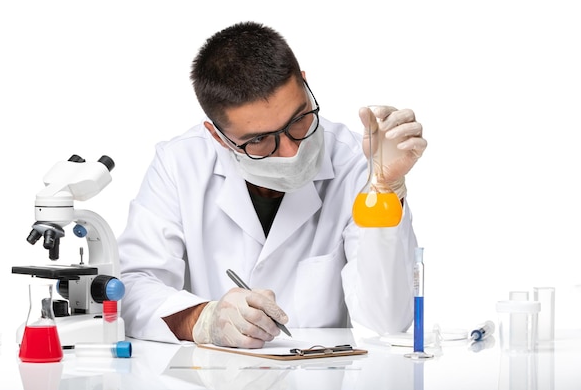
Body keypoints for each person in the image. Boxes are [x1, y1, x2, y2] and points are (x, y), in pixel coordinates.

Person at [118, 21, 427, 349]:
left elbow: (388, 319)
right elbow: (134, 288)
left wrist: (384, 187)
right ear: (217, 136)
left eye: (299, 119)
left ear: (305, 86)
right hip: (216, 377)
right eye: (261, 140)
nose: (292, 150)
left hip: (318, 377)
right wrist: (204, 320)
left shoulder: (356, 160)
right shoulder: (180, 164)